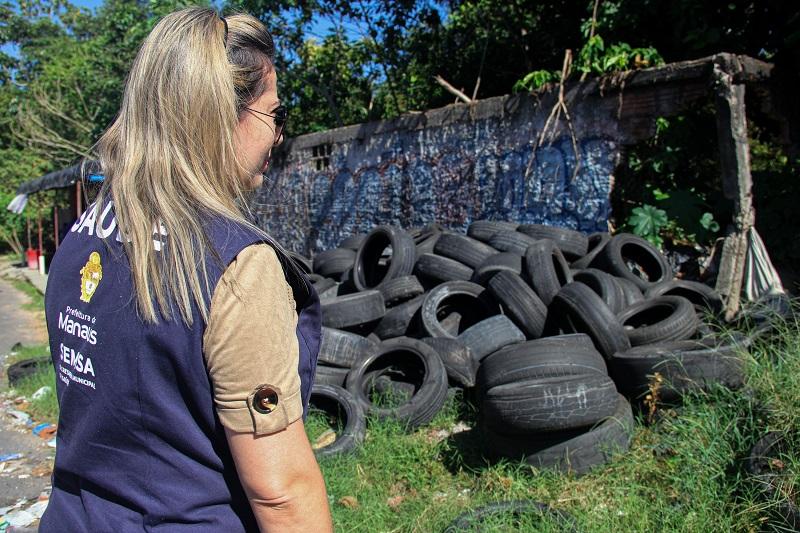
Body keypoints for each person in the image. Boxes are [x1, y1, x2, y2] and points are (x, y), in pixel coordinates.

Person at [39, 7, 332, 532]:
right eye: (276, 115)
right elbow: (281, 493)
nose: (279, 137)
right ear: (222, 117)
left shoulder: (86, 230)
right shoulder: (236, 265)